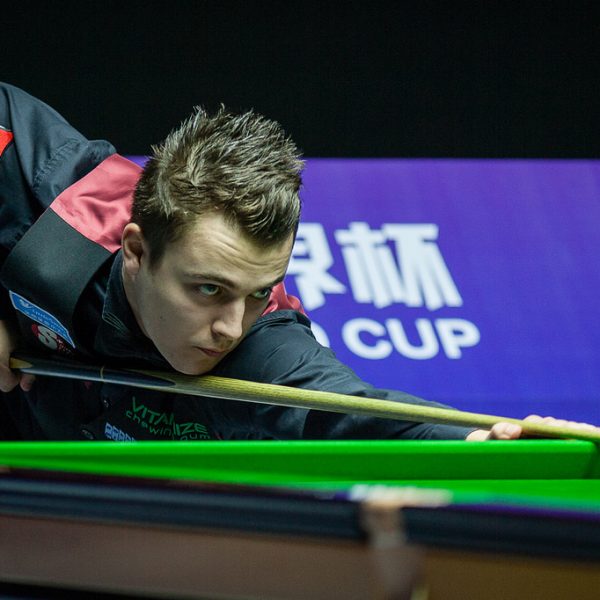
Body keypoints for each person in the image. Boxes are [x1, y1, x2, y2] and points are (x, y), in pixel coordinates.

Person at [0, 83, 594, 442]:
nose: (231, 328)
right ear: (136, 251)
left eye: (258, 291)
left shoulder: (264, 346)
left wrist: (481, 438)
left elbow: (356, 412)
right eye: (207, 289)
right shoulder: (56, 201)